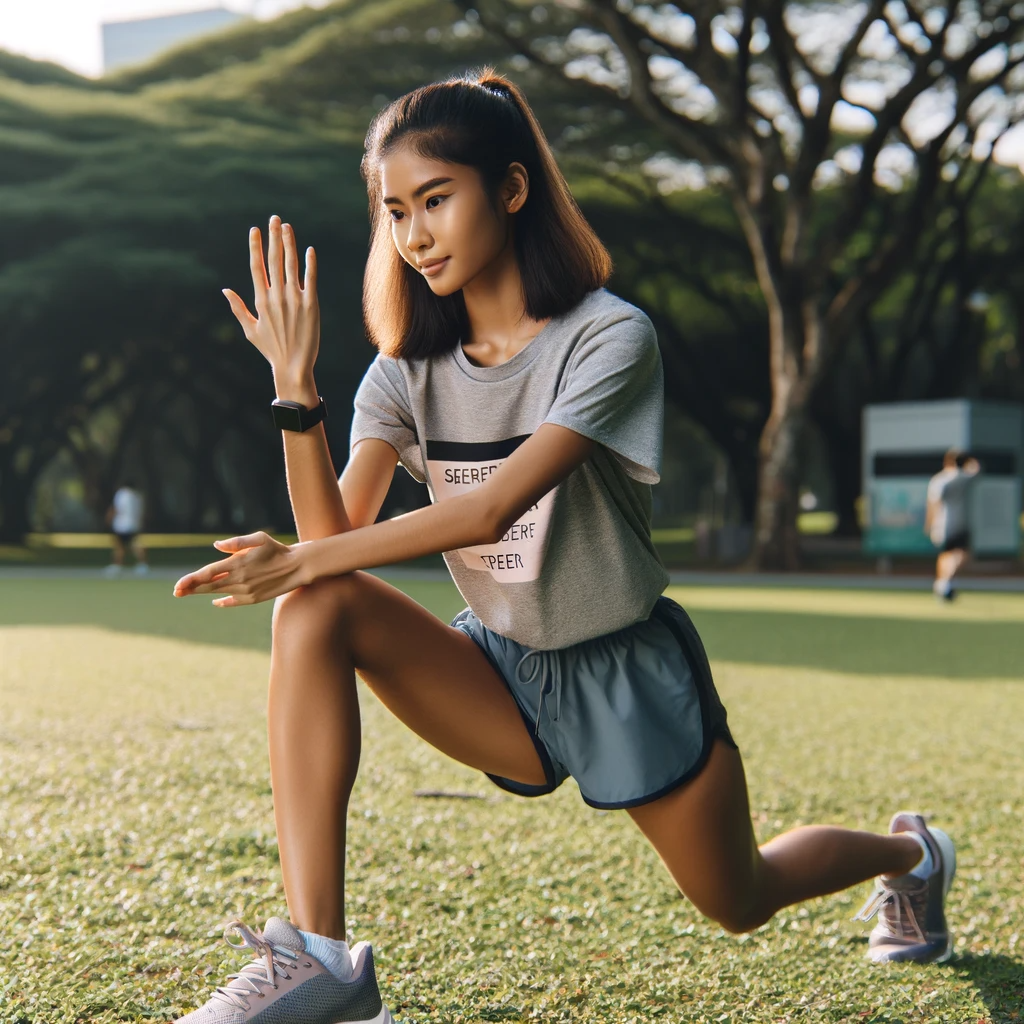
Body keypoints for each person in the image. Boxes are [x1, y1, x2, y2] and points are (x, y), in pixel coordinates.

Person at [171, 72, 958, 1024]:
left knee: (738, 899)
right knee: (316, 604)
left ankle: (911, 856)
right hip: (500, 668)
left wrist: (298, 556)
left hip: (623, 667)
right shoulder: (404, 370)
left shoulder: (607, 339)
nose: (414, 234)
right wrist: (297, 395)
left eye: (435, 199)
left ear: (510, 189)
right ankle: (320, 959)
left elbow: (492, 510)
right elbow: (335, 549)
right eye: (394, 212)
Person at [925, 450, 980, 601]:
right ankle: (946, 582)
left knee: (945, 555)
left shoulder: (938, 480)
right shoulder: (962, 477)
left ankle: (942, 583)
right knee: (960, 554)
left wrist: (929, 524)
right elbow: (977, 470)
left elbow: (932, 504)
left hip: (941, 525)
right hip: (958, 524)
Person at [104, 479, 148, 576]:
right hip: (134, 524)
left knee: (120, 546)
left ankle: (117, 565)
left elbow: (116, 508)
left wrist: (109, 518)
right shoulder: (137, 495)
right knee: (135, 545)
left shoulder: (122, 494)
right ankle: (142, 565)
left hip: (122, 525)